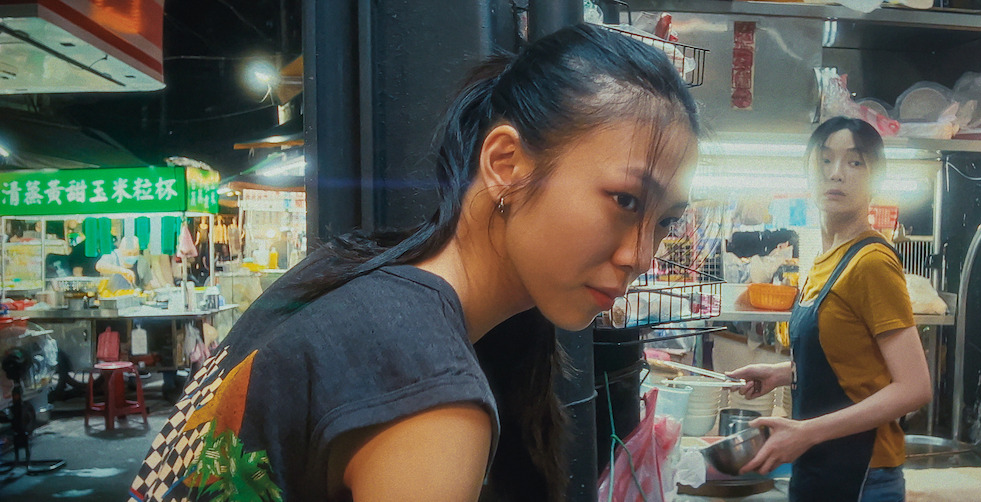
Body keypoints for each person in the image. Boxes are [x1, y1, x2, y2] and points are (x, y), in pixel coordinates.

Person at [129, 23, 700, 502]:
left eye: (665, 222)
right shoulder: (425, 382)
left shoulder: (359, 274)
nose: (641, 256)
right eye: (626, 201)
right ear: (505, 163)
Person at [728, 117, 931, 502]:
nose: (836, 173)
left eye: (855, 162)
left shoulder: (871, 262)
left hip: (862, 476)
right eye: (824, 160)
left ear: (876, 179)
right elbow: (850, 360)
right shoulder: (826, 260)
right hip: (820, 466)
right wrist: (781, 372)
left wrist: (807, 431)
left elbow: (914, 388)